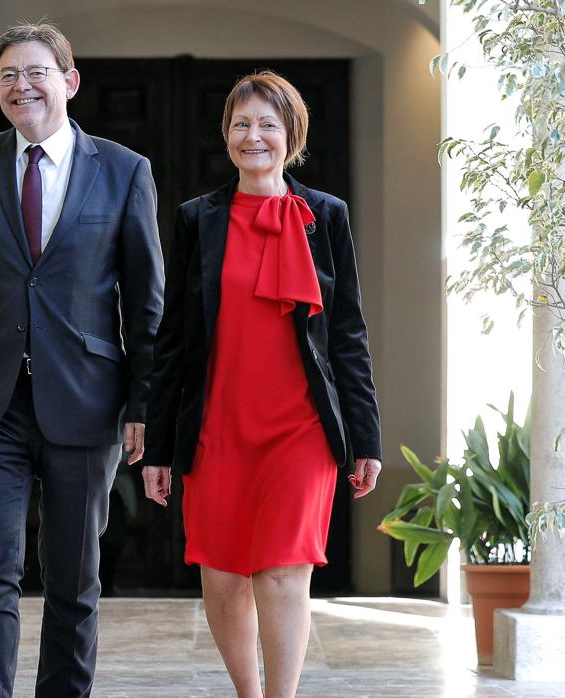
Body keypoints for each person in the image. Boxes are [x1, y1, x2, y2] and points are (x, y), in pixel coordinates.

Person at [0, 21, 164, 697]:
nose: (21, 87)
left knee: (74, 579)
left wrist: (143, 404)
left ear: (68, 81)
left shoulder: (123, 170)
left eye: (35, 72)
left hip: (85, 400)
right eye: (6, 76)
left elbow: (146, 305)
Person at [141, 71, 383, 698]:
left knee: (281, 575)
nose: (254, 137)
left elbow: (348, 334)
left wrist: (365, 436)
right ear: (226, 135)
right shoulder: (198, 219)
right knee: (223, 577)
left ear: (291, 137)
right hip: (217, 425)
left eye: (268, 125)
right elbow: (173, 338)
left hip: (301, 429)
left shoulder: (325, 216)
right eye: (241, 124)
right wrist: (161, 446)